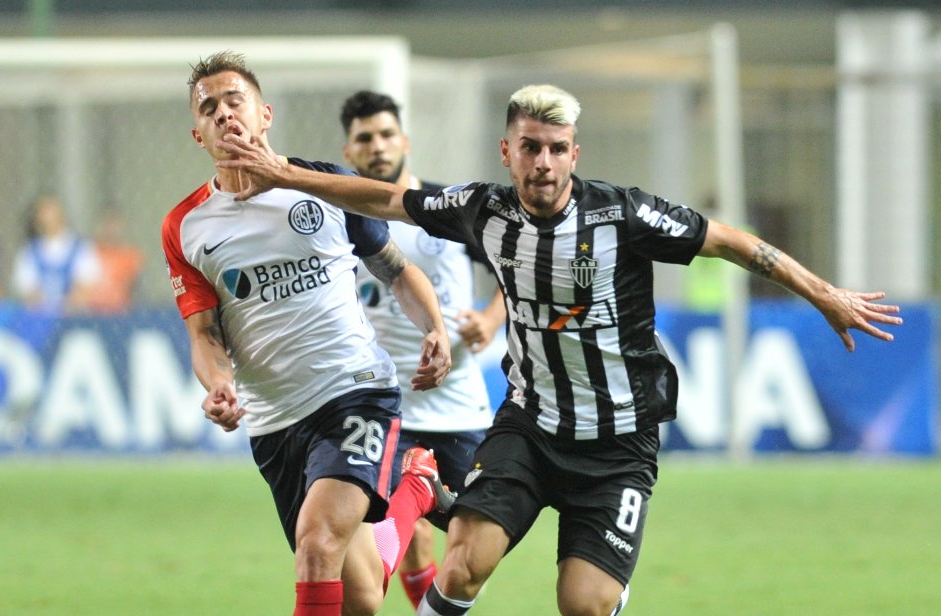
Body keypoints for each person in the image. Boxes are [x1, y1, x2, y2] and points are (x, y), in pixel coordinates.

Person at [213, 83, 903, 616]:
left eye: (556, 148)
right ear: (507, 152)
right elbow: (387, 199)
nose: (543, 162)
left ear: (576, 153)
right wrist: (287, 175)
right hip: (531, 428)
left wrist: (823, 293)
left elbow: (731, 241)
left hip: (618, 445)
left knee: (582, 602)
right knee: (459, 567)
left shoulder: (623, 214)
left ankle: (606, 580)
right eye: (530, 147)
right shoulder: (483, 209)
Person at [162, 51, 456, 616]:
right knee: (362, 598)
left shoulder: (325, 186)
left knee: (317, 545)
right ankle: (416, 487)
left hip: (355, 391)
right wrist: (218, 384)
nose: (224, 114)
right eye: (208, 108)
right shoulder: (186, 226)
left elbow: (394, 267)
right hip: (274, 421)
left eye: (234, 100)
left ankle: (410, 482)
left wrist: (435, 328)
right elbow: (203, 332)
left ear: (263, 114)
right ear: (198, 134)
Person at [340, 90, 506, 608]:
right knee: (401, 537)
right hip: (387, 402)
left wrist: (491, 317)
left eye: (386, 134)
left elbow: (513, 267)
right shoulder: (340, 217)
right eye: (364, 138)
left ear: (404, 141)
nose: (378, 146)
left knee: (465, 545)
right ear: (348, 153)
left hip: (458, 403)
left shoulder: (446, 207)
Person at [12, 194, 102, 313]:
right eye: (42, 211)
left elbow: (84, 290)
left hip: (74, 320)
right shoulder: (28, 253)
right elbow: (29, 293)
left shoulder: (82, 249)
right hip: (41, 322)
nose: (48, 216)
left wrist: (64, 309)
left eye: (50, 209)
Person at [89, 205, 145, 313]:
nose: (110, 228)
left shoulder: (131, 256)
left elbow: (138, 291)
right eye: (107, 223)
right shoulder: (90, 253)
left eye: (114, 223)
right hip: (94, 312)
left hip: (122, 313)